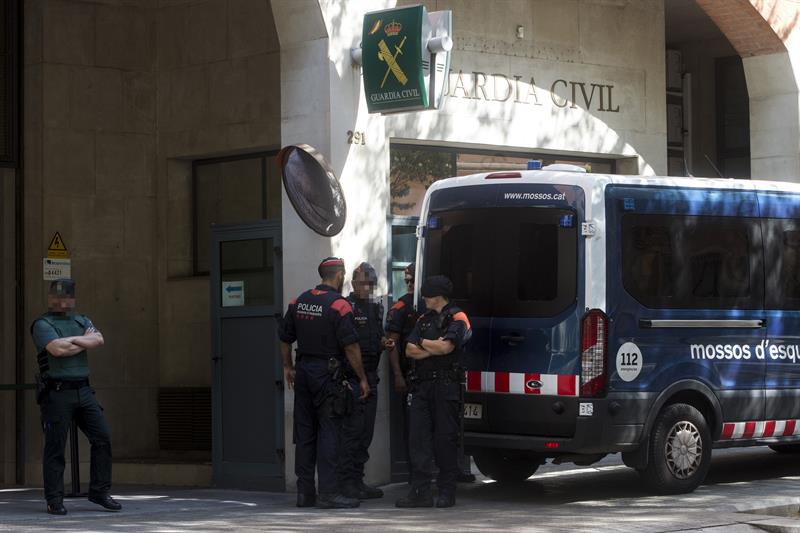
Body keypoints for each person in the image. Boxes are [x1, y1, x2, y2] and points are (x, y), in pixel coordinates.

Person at [278, 257, 370, 509]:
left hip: (303, 372)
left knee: (305, 433)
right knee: (330, 432)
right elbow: (350, 346)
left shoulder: (298, 301)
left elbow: (284, 337)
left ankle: (304, 493)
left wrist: (287, 366)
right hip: (327, 375)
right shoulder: (339, 305)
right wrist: (362, 378)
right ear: (339, 275)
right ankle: (328, 493)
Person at [30, 278, 121, 516]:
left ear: (72, 299)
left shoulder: (81, 319)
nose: (61, 301)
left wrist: (71, 341)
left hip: (84, 390)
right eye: (56, 296)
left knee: (102, 438)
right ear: (50, 298)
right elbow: (57, 349)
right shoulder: (42, 323)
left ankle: (99, 492)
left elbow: (99, 340)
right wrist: (84, 342)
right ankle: (54, 500)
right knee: (56, 447)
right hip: (57, 393)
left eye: (66, 296)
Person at [395, 275, 471, 509]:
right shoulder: (424, 319)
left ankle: (447, 491)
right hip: (422, 386)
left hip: (446, 386)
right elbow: (409, 350)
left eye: (427, 295)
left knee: (445, 440)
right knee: (418, 439)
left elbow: (447, 347)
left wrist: (424, 344)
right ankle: (420, 492)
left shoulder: (458, 318)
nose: (424, 299)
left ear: (437, 296)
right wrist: (432, 346)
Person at [341, 262, 393, 500]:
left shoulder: (375, 308)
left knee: (366, 434)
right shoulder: (346, 307)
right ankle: (347, 483)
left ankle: (357, 481)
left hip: (371, 377)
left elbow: (377, 337)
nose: (366, 288)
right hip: (352, 379)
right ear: (353, 283)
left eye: (370, 284)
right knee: (352, 433)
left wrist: (384, 343)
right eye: (362, 283)